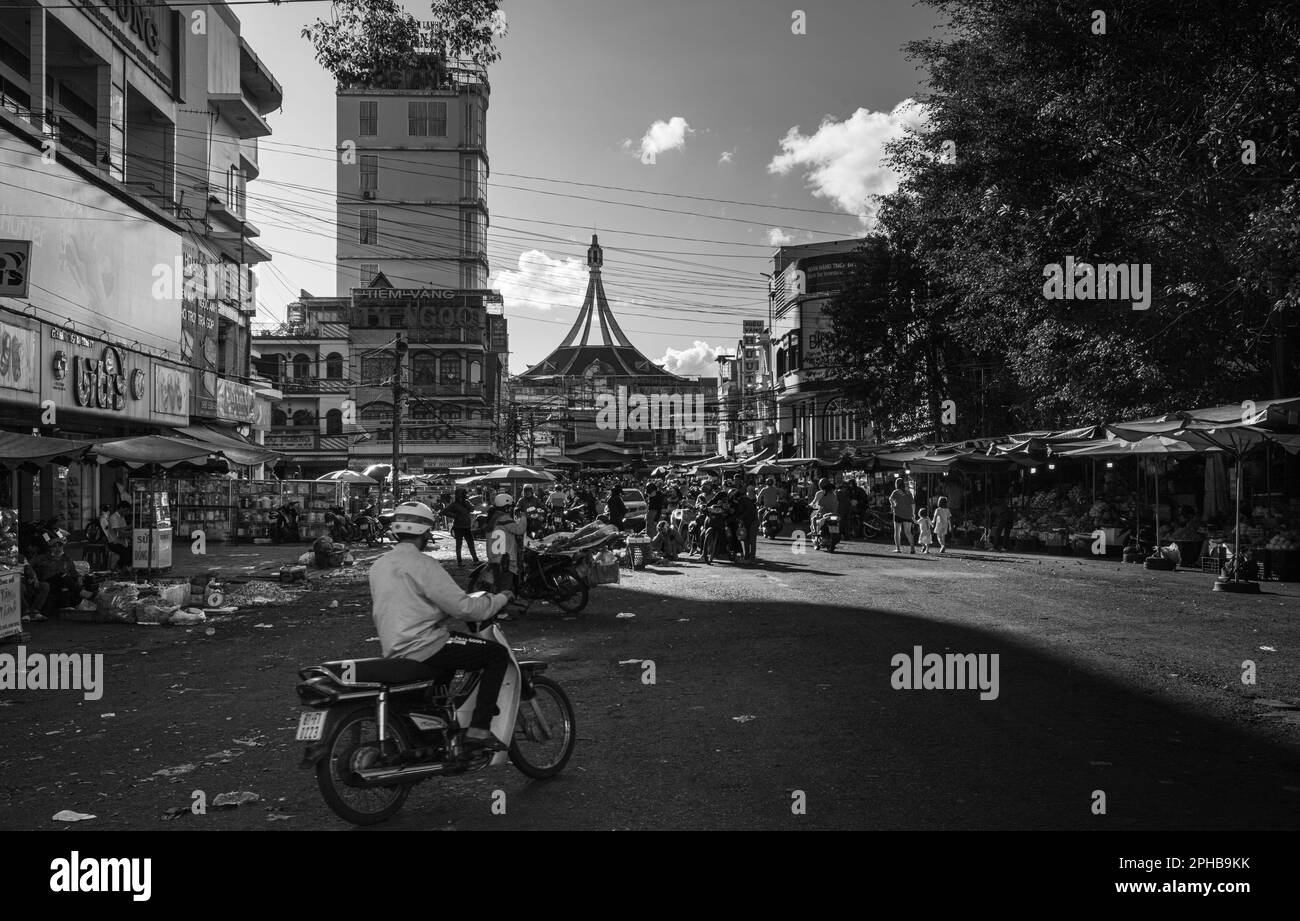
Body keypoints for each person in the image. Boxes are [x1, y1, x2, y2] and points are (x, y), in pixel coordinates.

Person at [369, 501, 514, 754]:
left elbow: (405, 602)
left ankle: (435, 728)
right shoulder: (424, 565)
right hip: (424, 644)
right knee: (496, 654)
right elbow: (464, 609)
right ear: (424, 533)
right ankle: (479, 730)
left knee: (451, 656)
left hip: (394, 646)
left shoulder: (378, 565)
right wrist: (501, 598)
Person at [484, 494, 525, 594]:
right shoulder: (504, 519)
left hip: (494, 557)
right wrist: (523, 517)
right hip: (505, 559)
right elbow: (519, 530)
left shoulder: (493, 519)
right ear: (506, 507)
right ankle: (499, 605)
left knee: (498, 584)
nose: (511, 509)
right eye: (510, 507)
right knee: (504, 588)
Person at [444, 489, 479, 568]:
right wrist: (455, 515)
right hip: (458, 527)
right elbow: (445, 511)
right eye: (462, 494)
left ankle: (475, 560)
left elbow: (472, 509)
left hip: (466, 527)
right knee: (459, 545)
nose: (462, 496)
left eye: (463, 494)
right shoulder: (454, 504)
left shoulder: (466, 502)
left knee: (471, 544)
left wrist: (468, 503)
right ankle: (460, 562)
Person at [889, 477, 916, 554]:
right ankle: (912, 549)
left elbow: (890, 499)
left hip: (898, 513)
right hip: (908, 514)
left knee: (897, 531)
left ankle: (898, 549)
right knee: (908, 532)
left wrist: (893, 505)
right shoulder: (908, 492)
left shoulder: (896, 491)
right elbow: (913, 504)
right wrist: (913, 514)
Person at [107, 501, 131, 569]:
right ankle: (117, 567)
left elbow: (124, 531)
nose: (127, 512)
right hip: (114, 543)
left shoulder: (122, 517)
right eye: (126, 510)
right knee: (126, 553)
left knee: (131, 550)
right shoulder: (114, 517)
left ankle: (125, 568)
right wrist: (129, 527)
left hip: (122, 542)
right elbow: (117, 530)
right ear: (120, 508)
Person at [738, 485, 760, 561]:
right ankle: (747, 556)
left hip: (753, 521)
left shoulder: (745, 500)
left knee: (752, 540)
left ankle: (752, 557)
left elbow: (748, 511)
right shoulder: (742, 500)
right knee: (746, 540)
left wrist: (740, 516)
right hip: (746, 522)